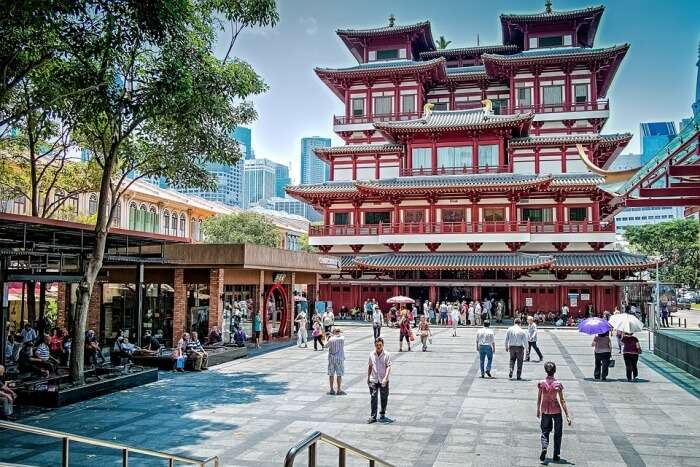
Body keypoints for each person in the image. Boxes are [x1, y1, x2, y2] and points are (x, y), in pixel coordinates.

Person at [537, 361, 572, 463]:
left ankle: (544, 447)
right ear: (554, 371)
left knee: (545, 431)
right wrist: (567, 415)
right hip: (556, 410)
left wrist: (538, 409)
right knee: (558, 433)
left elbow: (539, 397)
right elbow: (562, 400)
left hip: (545, 409)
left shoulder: (541, 383)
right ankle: (556, 454)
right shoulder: (558, 384)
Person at [367, 337, 391, 424]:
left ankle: (382, 413)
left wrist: (386, 377)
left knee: (384, 397)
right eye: (377, 345)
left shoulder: (387, 354)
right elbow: (370, 366)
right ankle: (373, 416)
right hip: (373, 379)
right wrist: (368, 377)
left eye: (380, 345)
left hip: (383, 379)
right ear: (375, 345)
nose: (378, 347)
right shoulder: (371, 354)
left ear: (383, 345)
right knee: (373, 397)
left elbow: (388, 366)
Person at [326, 327, 345, 395]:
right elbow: (341, 335)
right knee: (339, 374)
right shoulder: (342, 338)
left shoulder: (331, 339)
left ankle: (331, 389)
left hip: (331, 359)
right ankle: (339, 389)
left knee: (331, 374)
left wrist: (328, 337)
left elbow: (325, 346)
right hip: (339, 359)